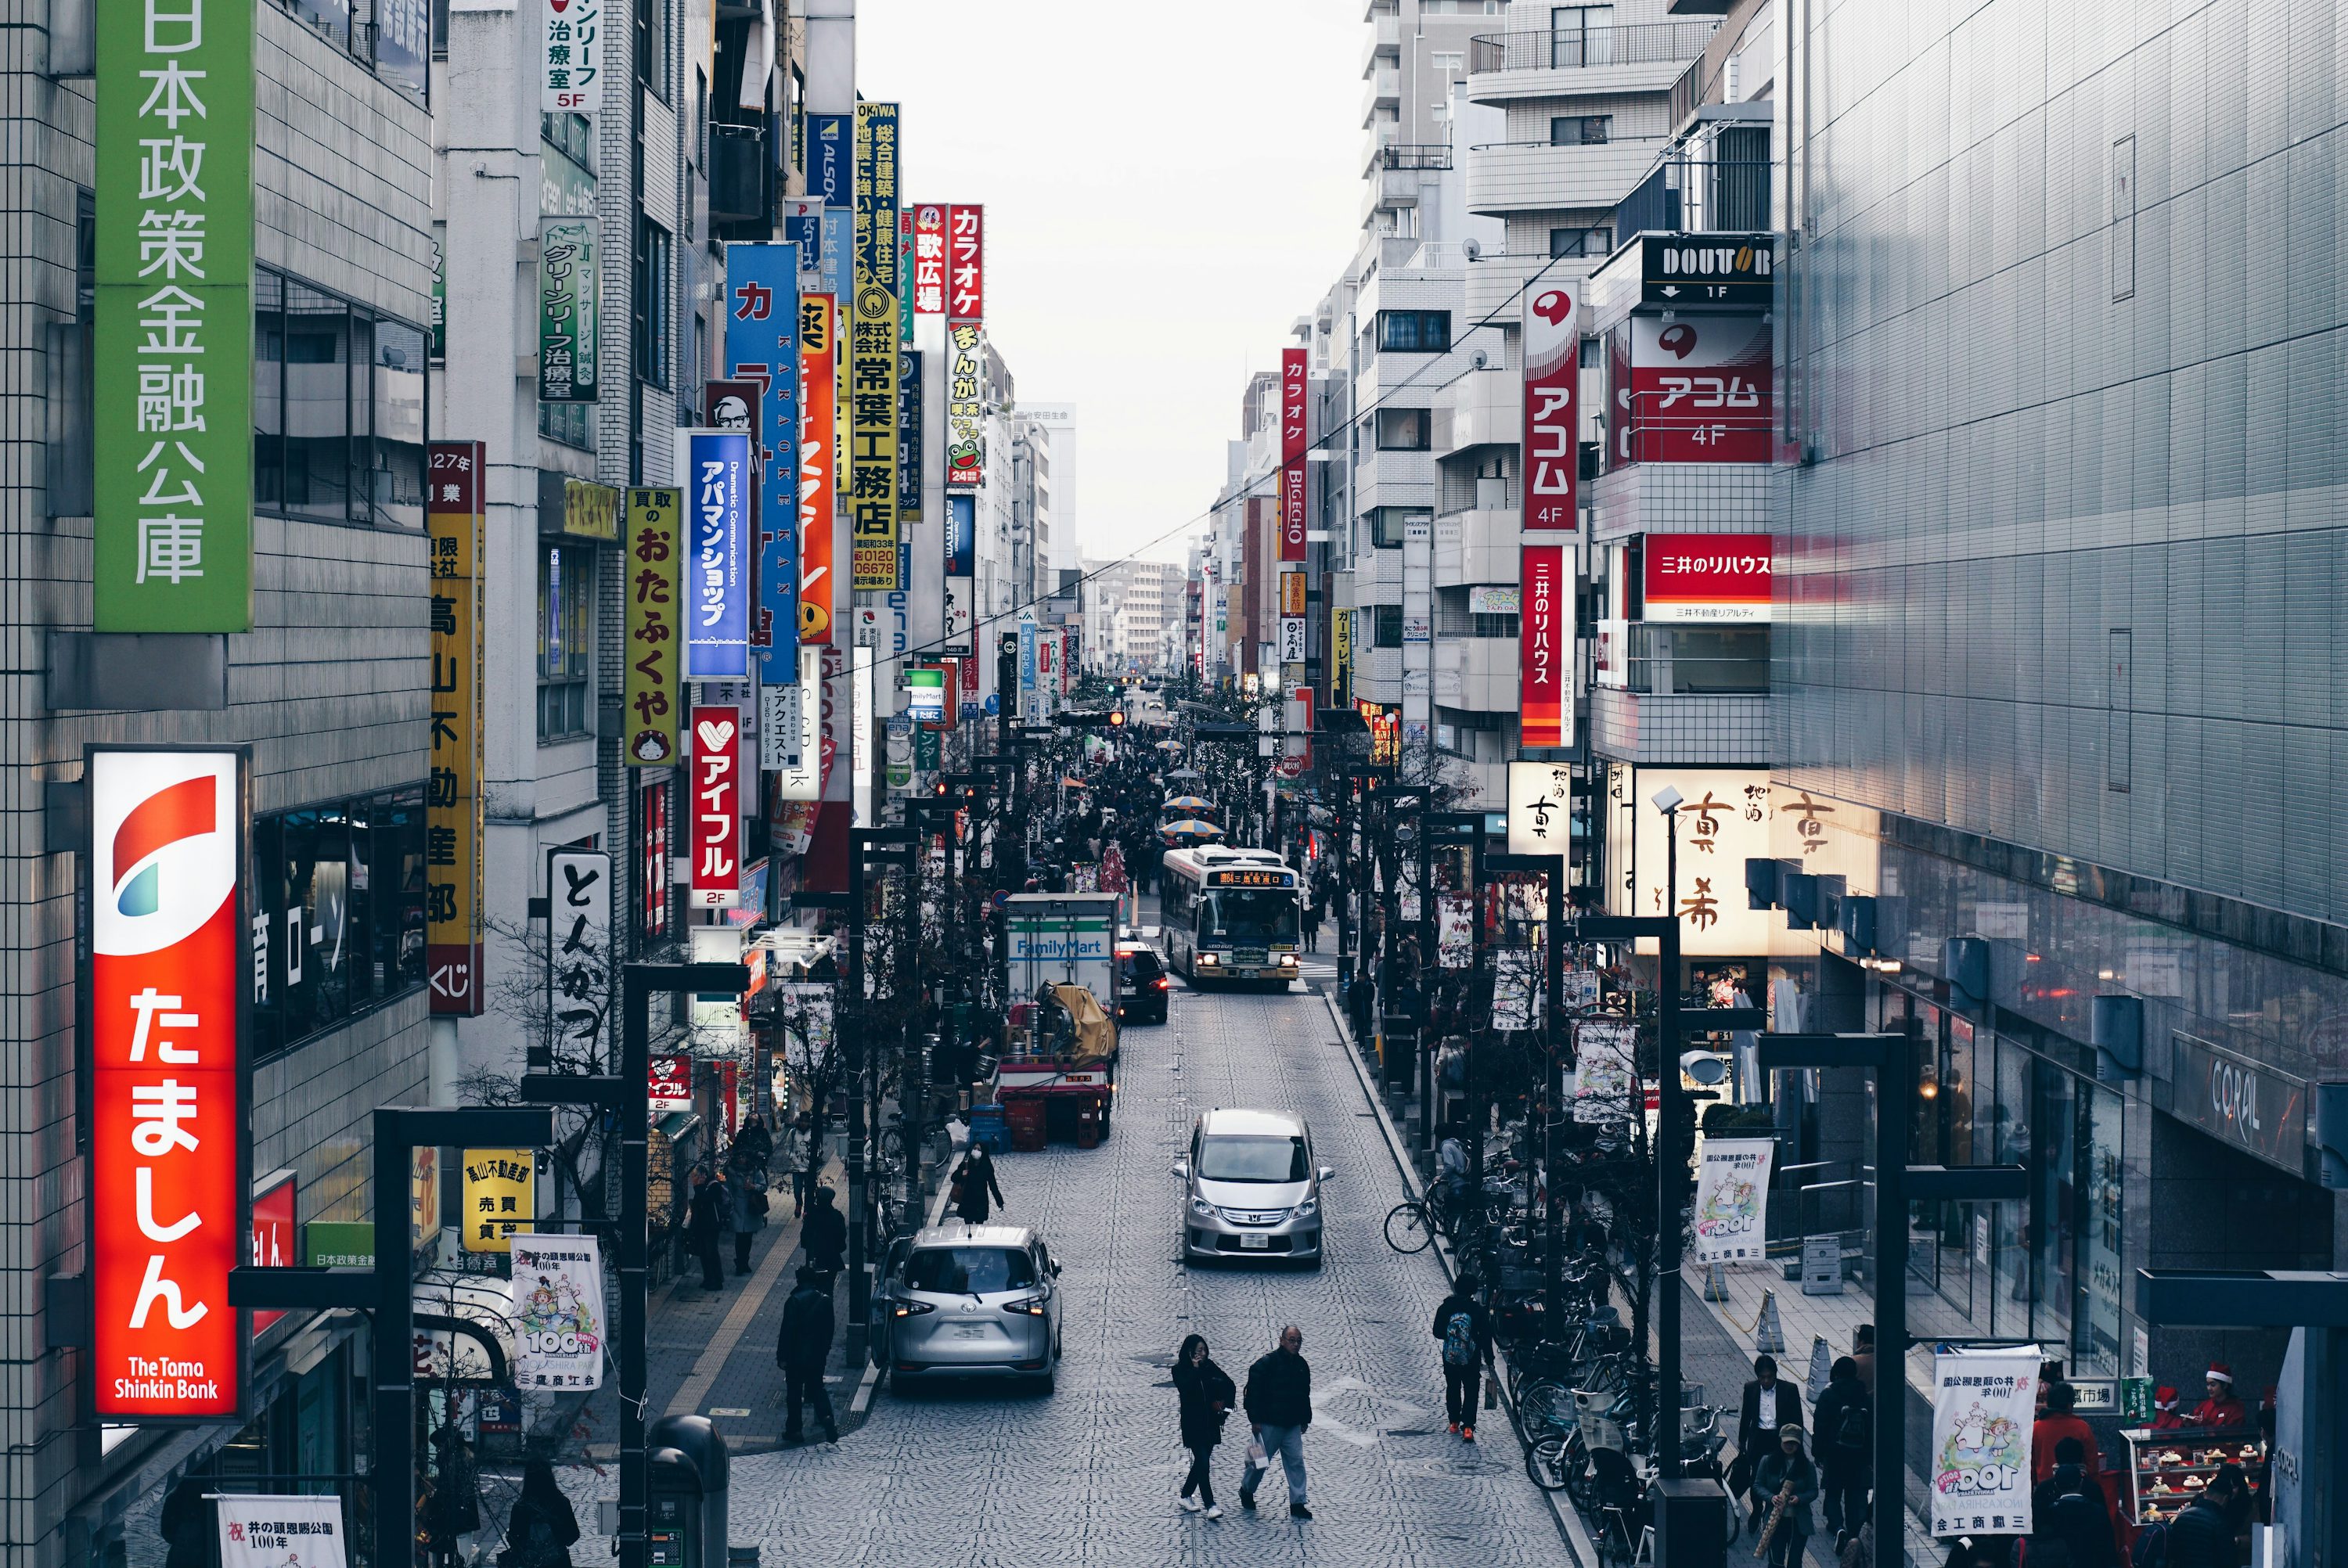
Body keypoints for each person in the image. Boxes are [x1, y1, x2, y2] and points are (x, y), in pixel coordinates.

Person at [1239, 1325, 1314, 1519]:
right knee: (1258, 1463)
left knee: (1296, 1462)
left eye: (1298, 1341)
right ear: (1282, 1341)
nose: (1296, 1344)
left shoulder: (1301, 1365)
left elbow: (1303, 1395)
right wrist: (1255, 1419)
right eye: (1292, 1340)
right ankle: (1246, 1490)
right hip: (1268, 1423)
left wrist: (1304, 1419)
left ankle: (1298, 1503)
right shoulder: (1267, 1363)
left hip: (1291, 1424)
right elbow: (1252, 1393)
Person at [1810, 1354, 1872, 1551]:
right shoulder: (1865, 1396)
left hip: (1835, 1454)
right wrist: (1869, 1456)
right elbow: (1872, 1429)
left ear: (1835, 1373)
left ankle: (1837, 1526)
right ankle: (1854, 1532)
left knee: (1833, 1491)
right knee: (1855, 1494)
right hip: (1859, 1457)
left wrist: (1817, 1453)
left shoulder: (1829, 1395)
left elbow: (1820, 1426)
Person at [1172, 1333, 1236, 1519]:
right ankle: (1210, 1505)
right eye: (1199, 1350)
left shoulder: (1210, 1366)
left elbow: (1229, 1384)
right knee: (1203, 1463)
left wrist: (1225, 1410)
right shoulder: (1179, 1370)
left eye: (1204, 1350)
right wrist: (1195, 1369)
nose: (1203, 1354)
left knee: (1201, 1462)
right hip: (1193, 1424)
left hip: (1211, 1422)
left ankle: (1185, 1495)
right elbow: (1185, 1388)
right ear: (1190, 1352)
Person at [1737, 1356, 1804, 1528]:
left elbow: (1797, 1419)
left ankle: (1771, 1509)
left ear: (1775, 1375)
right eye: (1762, 1377)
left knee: (1776, 1477)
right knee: (1756, 1478)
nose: (1766, 1381)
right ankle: (1757, 1509)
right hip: (1758, 1439)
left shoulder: (1789, 1389)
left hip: (1779, 1439)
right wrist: (1742, 1440)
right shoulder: (1750, 1388)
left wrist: (1798, 1444)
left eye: (1769, 1377)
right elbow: (1746, 1416)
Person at [2031, 1437, 2119, 1568]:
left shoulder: (2044, 1489)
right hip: (2090, 1559)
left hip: (2054, 1561)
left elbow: (2036, 1528)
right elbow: (2106, 1535)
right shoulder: (2092, 1488)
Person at [775, 1267, 840, 1444]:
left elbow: (787, 1331)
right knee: (817, 1387)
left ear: (799, 1281)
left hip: (796, 1356)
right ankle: (827, 1417)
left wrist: (782, 1357)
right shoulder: (825, 1300)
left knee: (794, 1392)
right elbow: (829, 1329)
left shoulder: (794, 1301)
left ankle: (795, 1430)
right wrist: (825, 1350)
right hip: (817, 1355)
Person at [1431, 1274, 1493, 1440]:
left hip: (1450, 1356)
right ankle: (1468, 1427)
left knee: (1453, 1387)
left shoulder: (1446, 1307)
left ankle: (1454, 1421)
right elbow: (1486, 1336)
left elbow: (1437, 1331)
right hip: (1471, 1357)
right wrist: (1489, 1359)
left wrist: (1452, 1336)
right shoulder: (1477, 1310)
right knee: (1471, 1389)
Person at [1750, 1425, 1819, 1568]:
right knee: (1775, 1562)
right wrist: (1771, 1497)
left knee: (1795, 1562)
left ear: (1799, 1444)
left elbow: (1813, 1491)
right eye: (1787, 1442)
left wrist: (1800, 1498)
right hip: (1775, 1520)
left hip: (1798, 1521)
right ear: (1780, 1441)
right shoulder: (1767, 1461)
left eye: (1793, 1443)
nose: (1790, 1446)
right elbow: (1758, 1485)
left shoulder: (1807, 1466)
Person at [499, 1458, 582, 1568]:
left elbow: (515, 1540)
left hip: (529, 1563)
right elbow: (572, 1536)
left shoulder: (521, 1506)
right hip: (558, 1562)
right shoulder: (560, 1503)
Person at [2162, 1464, 2249, 1568]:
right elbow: (2227, 1560)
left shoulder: (2182, 1518)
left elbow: (2173, 1553)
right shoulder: (2219, 1523)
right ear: (2225, 1499)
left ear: (2205, 1494)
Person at [2033, 1381, 2101, 1486]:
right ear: (2069, 1405)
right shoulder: (2082, 1428)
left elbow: (2030, 1463)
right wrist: (2094, 1487)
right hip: (2077, 1487)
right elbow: (2092, 1464)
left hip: (2045, 1488)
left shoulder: (2036, 1428)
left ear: (2048, 1403)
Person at [685, 1168, 729, 1289]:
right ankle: (708, 1278)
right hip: (702, 1226)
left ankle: (717, 1280)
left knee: (711, 1252)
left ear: (702, 1176)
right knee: (703, 1253)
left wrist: (699, 1187)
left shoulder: (714, 1186)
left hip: (712, 1226)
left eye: (695, 1176)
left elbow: (705, 1200)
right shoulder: (702, 1187)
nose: (693, 1180)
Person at [799, 1183, 846, 1277]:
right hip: (832, 1256)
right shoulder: (837, 1216)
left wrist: (806, 1245)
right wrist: (840, 1247)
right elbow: (842, 1235)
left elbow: (805, 1234)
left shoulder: (812, 1215)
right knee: (830, 1282)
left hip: (815, 1256)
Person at [952, 1145, 1007, 1225]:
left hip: (981, 1202)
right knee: (968, 1226)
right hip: (968, 1200)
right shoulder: (966, 1165)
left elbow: (993, 1186)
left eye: (979, 1149)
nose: (976, 1151)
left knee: (979, 1226)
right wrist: (961, 1174)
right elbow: (954, 1178)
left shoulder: (987, 1167)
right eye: (975, 1148)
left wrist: (999, 1202)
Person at [729, 1162, 765, 1275]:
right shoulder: (732, 1172)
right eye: (739, 1157)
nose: (741, 1159)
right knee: (739, 1237)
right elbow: (728, 1189)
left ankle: (745, 1261)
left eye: (743, 1157)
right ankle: (740, 1263)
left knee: (748, 1237)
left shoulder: (755, 1170)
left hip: (751, 1207)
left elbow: (764, 1186)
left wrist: (753, 1187)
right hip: (737, 1208)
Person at [2185, 1365, 2247, 1430]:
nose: (2209, 1388)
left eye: (2213, 1385)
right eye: (2207, 1384)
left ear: (2225, 1385)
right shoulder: (2205, 1405)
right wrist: (2189, 1424)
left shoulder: (2236, 1409)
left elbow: (2231, 1433)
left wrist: (2205, 1424)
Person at [776, 1113, 810, 1217]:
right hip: (796, 1167)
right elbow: (787, 1146)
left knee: (809, 1190)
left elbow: (818, 1147)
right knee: (797, 1190)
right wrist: (792, 1157)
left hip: (809, 1167)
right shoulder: (793, 1132)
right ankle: (799, 1203)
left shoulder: (812, 1133)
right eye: (802, 1121)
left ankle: (807, 1209)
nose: (803, 1123)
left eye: (806, 1121)